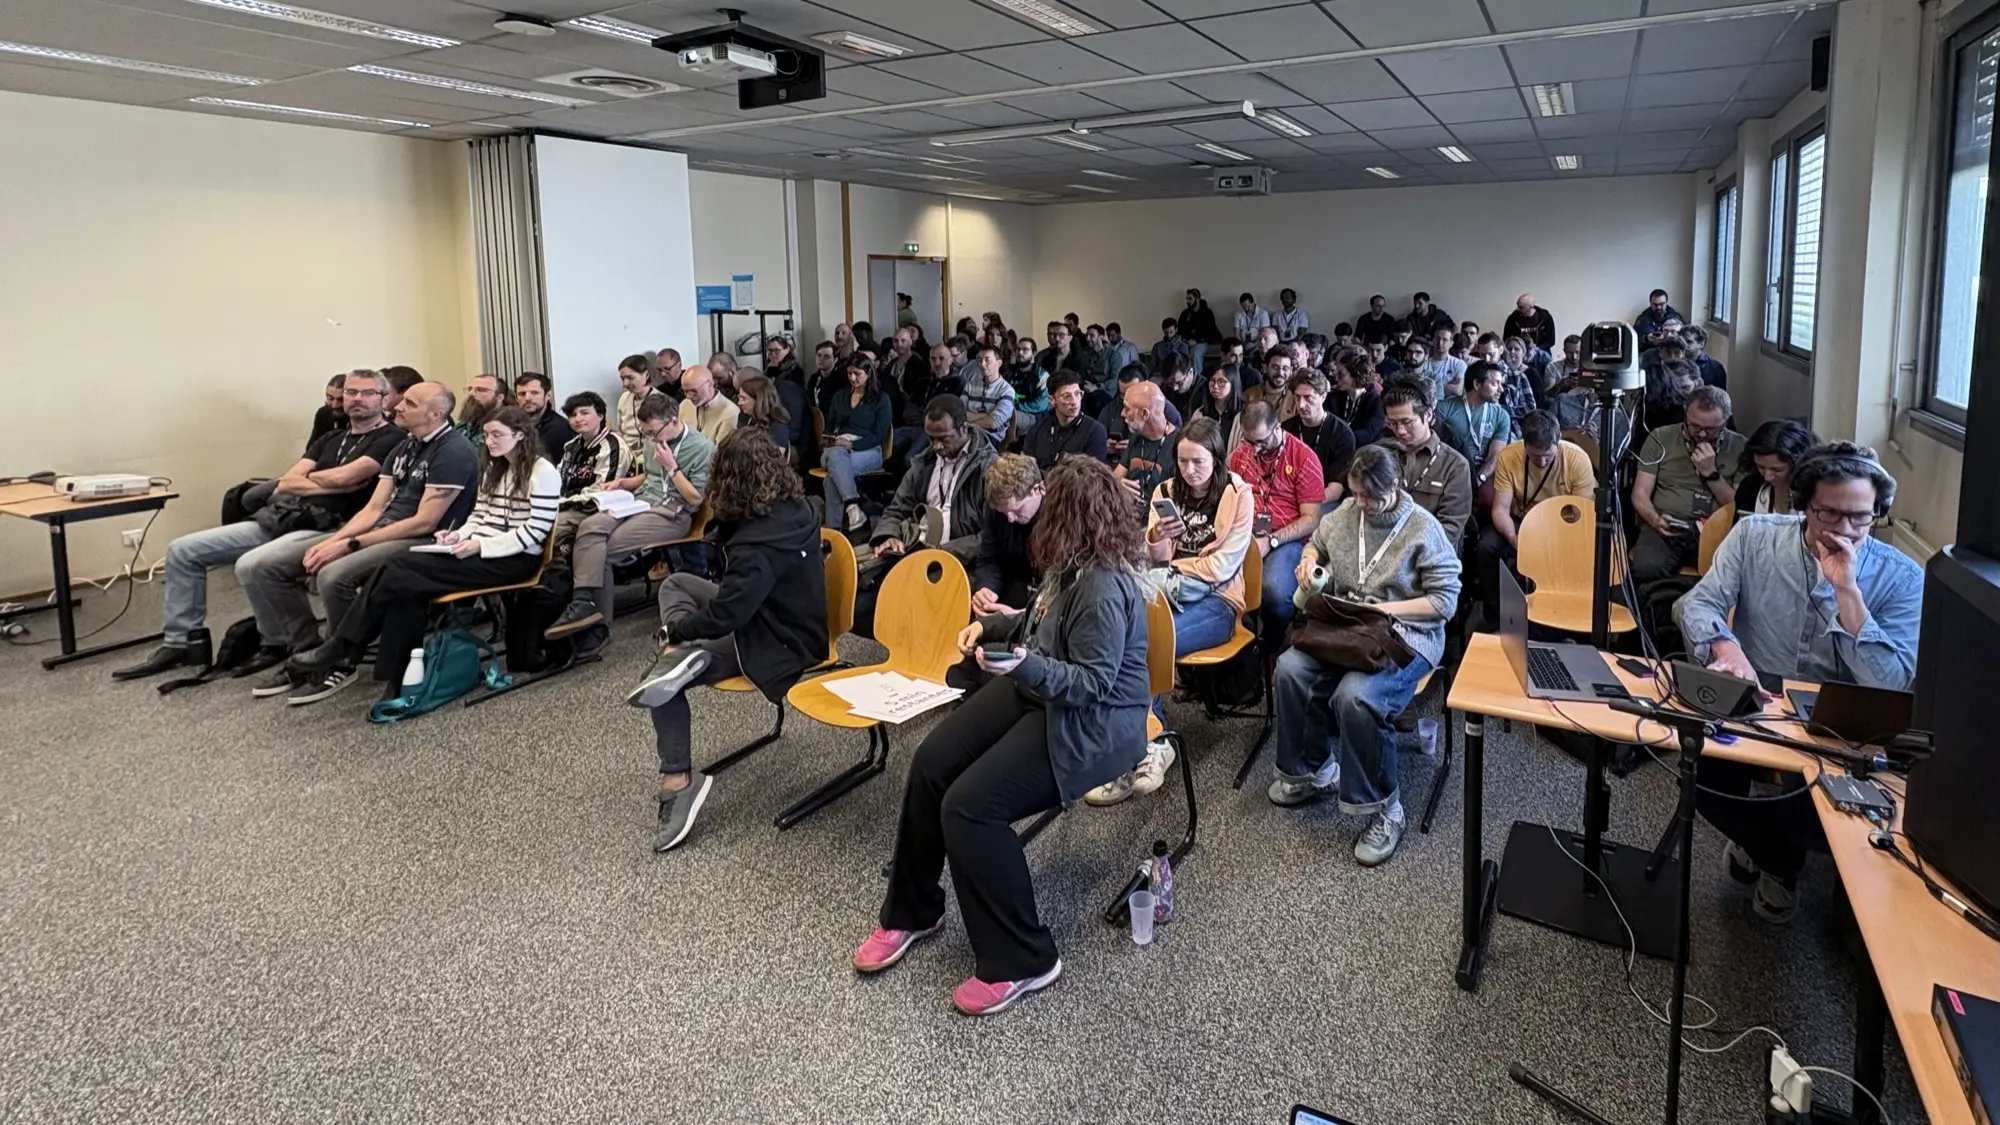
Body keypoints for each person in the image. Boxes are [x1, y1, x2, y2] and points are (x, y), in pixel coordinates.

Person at [854, 456, 1149, 1016]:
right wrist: (989, 627)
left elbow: (1092, 685)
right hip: (1044, 688)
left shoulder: (1103, 586)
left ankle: (1025, 958)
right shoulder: (1073, 564)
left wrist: (1022, 667)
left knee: (969, 808)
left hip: (1091, 723)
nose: (1034, 527)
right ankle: (913, 911)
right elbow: (1039, 624)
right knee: (932, 762)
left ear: (1072, 518)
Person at [1677, 443, 1923, 922]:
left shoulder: (1902, 578)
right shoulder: (1754, 537)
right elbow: (1698, 604)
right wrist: (1725, 647)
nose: (1844, 530)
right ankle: (1779, 861)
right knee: (1701, 778)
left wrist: (1846, 591)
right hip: (1758, 696)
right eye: (1829, 514)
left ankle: (1773, 854)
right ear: (1803, 504)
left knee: (1806, 817)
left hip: (1840, 717)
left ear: (1879, 513)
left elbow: (1890, 682)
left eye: (1860, 518)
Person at [115, 371, 405, 682]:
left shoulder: (391, 438)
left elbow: (345, 479)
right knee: (182, 550)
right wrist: (327, 483)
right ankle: (180, 643)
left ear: (384, 399)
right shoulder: (330, 439)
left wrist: (316, 481)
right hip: (283, 517)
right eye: (351, 392)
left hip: (333, 526)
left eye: (367, 393)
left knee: (252, 565)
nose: (357, 399)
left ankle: (294, 644)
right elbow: (286, 483)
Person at [628, 428, 828, 854]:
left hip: (773, 641)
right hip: (788, 618)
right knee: (678, 584)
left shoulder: (756, 545)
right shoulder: (800, 507)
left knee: (657, 685)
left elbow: (730, 614)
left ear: (727, 478)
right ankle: (684, 654)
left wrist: (677, 631)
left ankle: (678, 781)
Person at [284, 405, 558, 704]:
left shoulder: (541, 471)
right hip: (479, 548)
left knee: (400, 567)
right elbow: (480, 515)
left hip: (515, 559)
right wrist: (459, 535)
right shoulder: (494, 467)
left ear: (519, 435)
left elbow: (535, 532)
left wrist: (480, 545)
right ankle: (395, 679)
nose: (489, 441)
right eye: (486, 434)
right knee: (404, 588)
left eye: (497, 435)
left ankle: (344, 645)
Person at [1270, 445, 1461, 867]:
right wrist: (1307, 562)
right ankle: (1314, 770)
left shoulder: (1422, 529)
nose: (1363, 504)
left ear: (1395, 486)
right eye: (1356, 494)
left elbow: (1444, 603)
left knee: (1357, 697)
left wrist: (1384, 611)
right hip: (1349, 628)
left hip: (1407, 634)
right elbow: (1317, 542)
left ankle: (1385, 810)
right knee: (1289, 669)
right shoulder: (1346, 516)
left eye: (1371, 497)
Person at [242, 382, 480, 701]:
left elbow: (425, 521)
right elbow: (374, 507)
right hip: (382, 529)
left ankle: (342, 661)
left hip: (421, 539)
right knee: (263, 566)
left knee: (334, 575)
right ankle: (309, 650)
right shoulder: (404, 447)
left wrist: (351, 545)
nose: (396, 406)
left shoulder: (452, 451)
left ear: (435, 414)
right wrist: (338, 540)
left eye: (409, 403)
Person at [545, 394, 713, 649]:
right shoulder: (654, 439)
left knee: (603, 551)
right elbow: (650, 476)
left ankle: (599, 626)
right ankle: (582, 602)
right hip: (642, 501)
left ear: (673, 422)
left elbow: (696, 498)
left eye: (653, 433)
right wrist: (625, 483)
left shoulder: (701, 447)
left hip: (673, 512)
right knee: (590, 527)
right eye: (645, 433)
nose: (650, 439)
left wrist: (672, 466)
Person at [1473, 411, 1593, 623]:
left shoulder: (1577, 459)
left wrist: (1556, 541)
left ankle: (1557, 614)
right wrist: (1513, 537)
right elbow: (1500, 509)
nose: (1543, 462)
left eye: (1548, 455)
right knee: (1486, 547)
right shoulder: (1510, 457)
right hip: (1522, 520)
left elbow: (1581, 517)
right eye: (1535, 456)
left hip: (1563, 525)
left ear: (1558, 442)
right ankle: (1495, 613)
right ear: (1524, 445)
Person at [1229, 401, 1323, 637]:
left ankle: (1273, 638)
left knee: (1274, 592)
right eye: (1249, 442)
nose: (1256, 450)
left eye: (1262, 442)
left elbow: (1311, 519)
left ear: (1277, 427)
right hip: (1247, 533)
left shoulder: (1304, 457)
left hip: (1289, 537)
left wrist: (1271, 540)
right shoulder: (1241, 455)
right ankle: (1244, 636)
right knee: (1223, 583)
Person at [1632, 385, 1745, 581]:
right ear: (1685, 413)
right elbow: (1639, 494)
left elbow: (1737, 506)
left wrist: (1711, 472)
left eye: (1711, 429)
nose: (1702, 435)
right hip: (1666, 525)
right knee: (1646, 570)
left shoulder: (1741, 447)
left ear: (1726, 420)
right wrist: (1654, 520)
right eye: (1695, 426)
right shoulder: (1660, 438)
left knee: (1726, 576)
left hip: (1716, 528)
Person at [870, 396, 996, 563]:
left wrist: (941, 553)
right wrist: (889, 535)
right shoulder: (923, 462)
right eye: (931, 438)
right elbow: (896, 510)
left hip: (961, 561)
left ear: (964, 429)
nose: (936, 446)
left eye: (944, 439)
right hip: (916, 549)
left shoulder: (989, 468)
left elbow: (990, 538)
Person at [1377, 375, 1474, 550]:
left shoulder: (1454, 465)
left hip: (1431, 554)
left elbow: (1449, 529)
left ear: (1428, 415)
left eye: (1407, 422)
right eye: (1393, 423)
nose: (1400, 431)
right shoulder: (1382, 454)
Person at [820, 358, 892, 533]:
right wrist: (830, 441)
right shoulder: (840, 396)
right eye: (849, 373)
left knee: (832, 477)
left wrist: (852, 444)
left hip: (867, 449)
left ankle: (833, 530)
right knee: (836, 456)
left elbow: (879, 436)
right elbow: (829, 428)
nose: (853, 378)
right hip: (836, 449)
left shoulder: (881, 399)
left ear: (868, 374)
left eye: (857, 374)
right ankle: (853, 506)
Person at [549, 392, 628, 548]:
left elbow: (602, 492)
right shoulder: (571, 446)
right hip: (566, 505)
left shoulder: (612, 446)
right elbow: (557, 479)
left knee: (546, 530)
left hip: (595, 510)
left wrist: (561, 503)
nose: (578, 419)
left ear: (600, 415)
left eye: (584, 413)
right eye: (572, 415)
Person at [971, 453, 1043, 619]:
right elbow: (990, 558)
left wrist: (1019, 617)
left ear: (1038, 490)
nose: (1010, 519)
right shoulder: (997, 507)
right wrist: (986, 589)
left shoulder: (1063, 513)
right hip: (1013, 588)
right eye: (1004, 513)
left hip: (1046, 599)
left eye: (1017, 510)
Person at [1434, 360, 1514, 489]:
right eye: (1494, 383)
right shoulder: (1444, 408)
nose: (1501, 389)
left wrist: (1480, 478)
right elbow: (1436, 448)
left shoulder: (1501, 416)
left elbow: (1496, 455)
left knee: (1489, 497)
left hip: (1484, 471)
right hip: (1451, 468)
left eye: (1501, 384)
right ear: (1477, 384)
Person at [1283, 369, 1356, 507]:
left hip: (1324, 500)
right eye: (1298, 398)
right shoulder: (1285, 430)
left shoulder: (1342, 434)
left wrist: (1302, 503)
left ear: (1323, 397)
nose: (1301, 405)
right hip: (1290, 498)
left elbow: (1335, 490)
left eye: (1308, 398)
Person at [1113, 381, 1179, 514]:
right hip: (1128, 516)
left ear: (1145, 414)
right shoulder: (1137, 437)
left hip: (1159, 520)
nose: (1122, 414)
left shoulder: (1179, 444)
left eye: (1127, 409)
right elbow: (1114, 477)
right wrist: (1119, 484)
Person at [892, 341, 965, 461]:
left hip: (932, 431)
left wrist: (925, 418)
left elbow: (947, 412)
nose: (937, 363)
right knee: (884, 448)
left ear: (951, 360)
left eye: (941, 359)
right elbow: (910, 406)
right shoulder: (923, 382)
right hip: (911, 425)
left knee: (910, 459)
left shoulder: (957, 383)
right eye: (933, 359)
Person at [1023, 371, 1107, 469]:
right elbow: (1027, 466)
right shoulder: (1039, 426)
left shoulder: (1095, 431)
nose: (1074, 401)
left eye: (1077, 394)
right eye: (1067, 396)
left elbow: (1093, 476)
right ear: (1052, 400)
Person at [1102, 363, 1184, 462]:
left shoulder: (1167, 412)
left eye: (1131, 392)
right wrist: (1104, 445)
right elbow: (1097, 437)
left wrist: (1134, 447)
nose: (1125, 398)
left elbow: (1173, 449)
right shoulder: (1112, 407)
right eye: (1122, 394)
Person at [1736, 420, 1818, 515]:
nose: (1767, 476)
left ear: (1797, 464)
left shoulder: (1816, 493)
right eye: (1760, 467)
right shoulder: (1750, 488)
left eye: (1777, 470)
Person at [962, 343, 1016, 450]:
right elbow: (960, 413)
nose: (982, 364)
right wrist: (986, 415)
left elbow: (993, 423)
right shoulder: (970, 385)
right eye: (979, 360)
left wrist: (968, 424)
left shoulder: (1007, 390)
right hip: (966, 433)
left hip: (991, 438)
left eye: (987, 360)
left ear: (999, 363)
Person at [1329, 346, 1386, 447]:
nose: (1336, 378)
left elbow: (1368, 434)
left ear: (1357, 373)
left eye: (1341, 374)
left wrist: (1338, 438)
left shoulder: (1376, 402)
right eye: (1336, 372)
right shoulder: (1333, 396)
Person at [511, 372, 573, 461]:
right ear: (516, 398)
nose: (527, 398)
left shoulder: (560, 428)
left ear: (548, 395)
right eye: (522, 394)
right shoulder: (512, 425)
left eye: (534, 393)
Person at [677, 364, 737, 446]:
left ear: (710, 383)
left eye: (693, 391)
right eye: (685, 391)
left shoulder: (730, 412)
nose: (688, 396)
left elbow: (720, 452)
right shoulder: (685, 404)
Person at [1191, 363, 1246, 452]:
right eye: (1212, 381)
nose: (1215, 386)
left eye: (1221, 382)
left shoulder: (1245, 415)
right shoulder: (1200, 414)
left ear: (1233, 384)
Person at [734, 373, 794, 452]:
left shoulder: (778, 429)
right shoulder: (745, 418)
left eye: (744, 399)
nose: (739, 403)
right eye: (739, 397)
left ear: (759, 401)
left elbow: (773, 461)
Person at [1407, 336, 1464, 403]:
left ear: (1426, 356)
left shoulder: (1434, 379)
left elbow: (1438, 404)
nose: (1413, 356)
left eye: (1418, 352)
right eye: (1410, 352)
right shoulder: (1397, 377)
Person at [1177, 288, 1222, 372]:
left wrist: (1197, 341)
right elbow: (1180, 330)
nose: (1188, 301)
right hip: (1187, 342)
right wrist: (1185, 340)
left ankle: (1197, 379)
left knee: (1195, 353)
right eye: (1187, 298)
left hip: (1204, 342)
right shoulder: (1185, 314)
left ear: (1197, 299)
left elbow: (1210, 332)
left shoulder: (1207, 313)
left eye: (1190, 298)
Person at [455, 372, 509, 440]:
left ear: (499, 398)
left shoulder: (507, 427)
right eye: (469, 389)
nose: (471, 393)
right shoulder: (462, 427)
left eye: (481, 390)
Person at [615, 356, 653, 450]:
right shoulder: (624, 398)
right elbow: (620, 431)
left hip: (650, 452)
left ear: (646, 375)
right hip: (625, 451)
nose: (625, 384)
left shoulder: (661, 401)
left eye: (630, 378)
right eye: (622, 379)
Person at [1680, 324, 1728, 389]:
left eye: (1689, 342)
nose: (1684, 345)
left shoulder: (1715, 368)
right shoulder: (1675, 363)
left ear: (1701, 344)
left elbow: (1720, 394)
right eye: (1682, 341)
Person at [309, 373, 346, 444]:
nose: (335, 405)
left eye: (341, 400)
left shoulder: (358, 418)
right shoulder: (323, 413)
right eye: (330, 398)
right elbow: (312, 446)